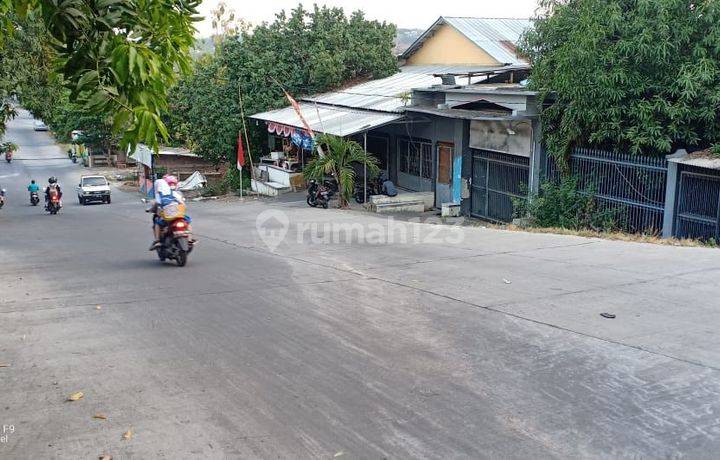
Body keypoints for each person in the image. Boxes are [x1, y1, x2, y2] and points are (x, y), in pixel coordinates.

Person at [149, 175, 193, 250]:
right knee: (188, 222)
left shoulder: (161, 194)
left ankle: (157, 240)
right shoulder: (178, 193)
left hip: (168, 217)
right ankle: (190, 239)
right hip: (179, 216)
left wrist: (152, 209)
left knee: (157, 223)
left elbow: (157, 205)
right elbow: (183, 204)